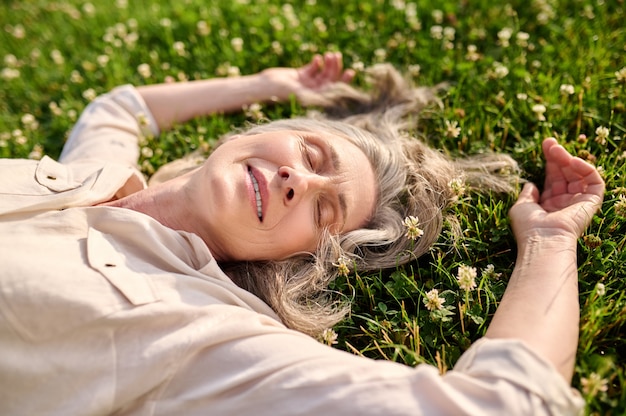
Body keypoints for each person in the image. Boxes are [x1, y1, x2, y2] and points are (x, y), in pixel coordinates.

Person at [0, 52, 603, 415]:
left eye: (324, 213)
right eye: (311, 153)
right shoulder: (97, 176)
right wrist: (270, 82)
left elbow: (506, 406)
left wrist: (550, 243)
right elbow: (118, 107)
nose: (299, 182)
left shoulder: (199, 332)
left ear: (302, 261)